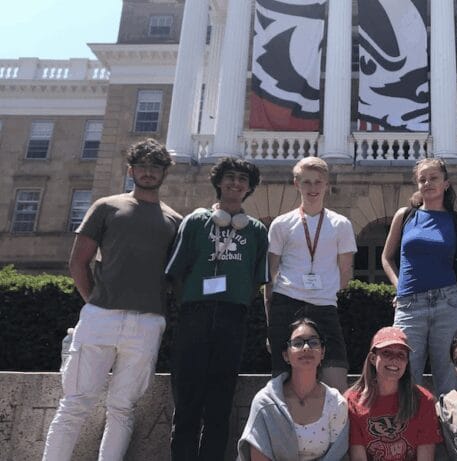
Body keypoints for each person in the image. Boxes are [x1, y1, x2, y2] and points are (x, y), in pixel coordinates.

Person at [43, 138, 182, 461]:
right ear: (131, 169)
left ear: (165, 172)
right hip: (100, 318)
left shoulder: (175, 221)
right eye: (143, 166)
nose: (148, 172)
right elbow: (79, 261)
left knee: (122, 407)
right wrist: (93, 299)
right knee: (75, 402)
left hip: (147, 323)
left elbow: (177, 277)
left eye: (155, 167)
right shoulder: (106, 206)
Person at [165, 157, 269, 460]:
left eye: (242, 180)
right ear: (219, 182)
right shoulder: (196, 221)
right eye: (230, 177)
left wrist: (235, 300)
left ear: (249, 188)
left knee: (220, 404)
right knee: (187, 402)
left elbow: (257, 281)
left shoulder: (256, 231)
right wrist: (190, 302)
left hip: (232, 319)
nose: (235, 183)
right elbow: (175, 272)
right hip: (194, 317)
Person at [381, 158, 457, 396]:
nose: (428, 183)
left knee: (452, 382)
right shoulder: (405, 216)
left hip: (449, 305)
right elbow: (387, 257)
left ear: (446, 184)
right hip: (410, 306)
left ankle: (451, 433)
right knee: (402, 375)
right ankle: (407, 433)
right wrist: (399, 286)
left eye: (434, 178)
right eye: (422, 179)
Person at [265, 156, 357, 392]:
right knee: (283, 386)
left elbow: (346, 272)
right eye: (306, 182)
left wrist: (323, 289)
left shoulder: (341, 224)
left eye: (318, 182)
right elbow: (270, 276)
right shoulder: (281, 224)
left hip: (325, 306)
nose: (312, 188)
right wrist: (270, 327)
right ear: (296, 184)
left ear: (327, 184)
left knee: (336, 385)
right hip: (286, 304)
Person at [237, 318, 349, 461]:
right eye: (297, 343)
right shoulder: (265, 403)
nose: (306, 347)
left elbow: (338, 456)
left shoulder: (336, 403)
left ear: (322, 352)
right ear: (286, 355)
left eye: (314, 342)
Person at [346, 327, 443, 461]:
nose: (394, 360)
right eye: (386, 353)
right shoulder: (352, 401)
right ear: (373, 359)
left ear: (407, 362)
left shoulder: (424, 400)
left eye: (401, 355)